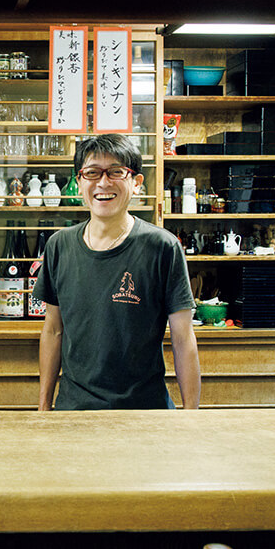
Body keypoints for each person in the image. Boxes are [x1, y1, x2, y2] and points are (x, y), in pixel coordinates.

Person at [34, 134, 200, 410]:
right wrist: (43, 406)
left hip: (146, 411)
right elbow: (52, 331)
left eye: (116, 172)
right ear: (78, 183)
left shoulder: (162, 246)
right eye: (92, 172)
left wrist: (192, 414)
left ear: (135, 183)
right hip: (75, 410)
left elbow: (183, 338)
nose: (103, 182)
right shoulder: (59, 246)